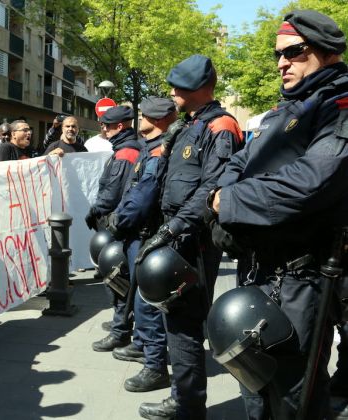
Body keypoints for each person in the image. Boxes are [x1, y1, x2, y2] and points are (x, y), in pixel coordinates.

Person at [210, 10, 348, 419]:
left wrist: (228, 202)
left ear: (326, 52)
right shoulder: (285, 110)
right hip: (259, 268)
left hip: (301, 277)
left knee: (293, 394)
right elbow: (238, 163)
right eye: (278, 55)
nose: (281, 63)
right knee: (253, 384)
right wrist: (224, 192)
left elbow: (312, 181)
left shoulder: (338, 105)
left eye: (294, 52)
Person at [135, 55, 243, 420]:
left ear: (198, 88)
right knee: (174, 322)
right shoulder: (189, 125)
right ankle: (184, 399)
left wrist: (171, 229)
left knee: (184, 326)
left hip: (192, 240)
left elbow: (213, 187)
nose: (171, 92)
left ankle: (189, 408)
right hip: (175, 237)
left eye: (178, 86)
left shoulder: (221, 126)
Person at [107, 97, 178, 394]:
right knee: (140, 298)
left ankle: (155, 366)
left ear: (157, 119)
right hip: (141, 233)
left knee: (146, 303)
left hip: (146, 234)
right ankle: (146, 350)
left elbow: (143, 195)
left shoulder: (159, 150)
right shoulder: (151, 147)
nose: (141, 117)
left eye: (145, 114)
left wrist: (119, 220)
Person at [85, 105, 142, 353]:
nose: (103, 129)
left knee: (116, 275)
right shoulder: (128, 149)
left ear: (120, 127)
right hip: (124, 223)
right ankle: (123, 323)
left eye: (106, 125)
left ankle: (121, 330)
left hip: (118, 225)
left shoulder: (126, 153)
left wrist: (94, 212)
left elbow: (111, 193)